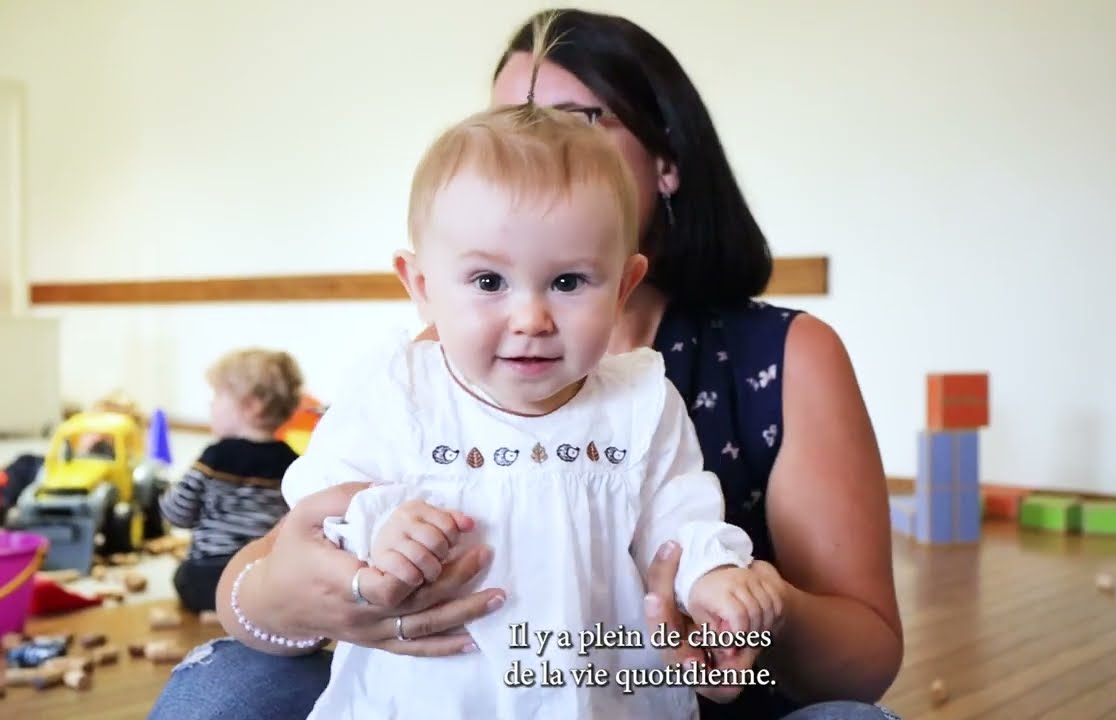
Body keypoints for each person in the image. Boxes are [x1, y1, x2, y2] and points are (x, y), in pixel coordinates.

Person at [149, 9, 902, 720]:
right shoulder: (411, 380)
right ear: (423, 283)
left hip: (613, 692)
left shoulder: (658, 395)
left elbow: (683, 523)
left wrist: (729, 591)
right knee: (226, 681)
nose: (530, 319)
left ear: (666, 162)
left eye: (572, 122)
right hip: (443, 692)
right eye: (509, 123)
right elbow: (319, 515)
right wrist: (353, 553)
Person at [158, 348, 304, 613]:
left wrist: (163, 496)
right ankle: (249, 610)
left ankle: (223, 610)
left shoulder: (214, 458)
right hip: (261, 578)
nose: (211, 405)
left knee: (182, 575)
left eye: (217, 396)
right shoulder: (293, 464)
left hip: (207, 576)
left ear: (252, 405)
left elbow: (177, 513)